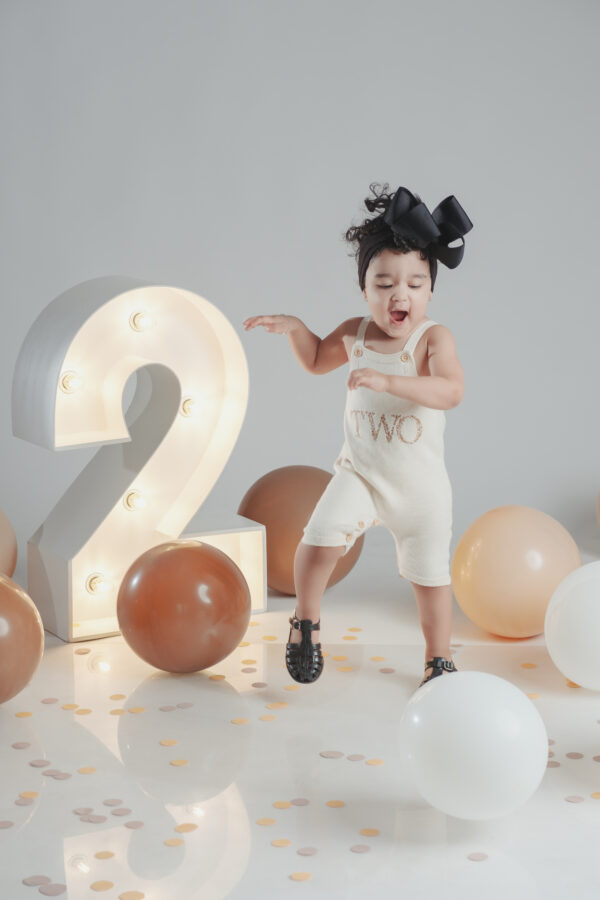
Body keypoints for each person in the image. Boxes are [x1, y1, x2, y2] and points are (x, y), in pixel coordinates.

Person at [243, 183, 473, 688]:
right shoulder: (356, 332)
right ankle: (305, 622)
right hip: (362, 475)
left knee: (431, 579)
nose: (400, 295)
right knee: (317, 542)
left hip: (420, 489)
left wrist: (391, 382)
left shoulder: (433, 338)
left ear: (430, 291)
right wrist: (296, 329)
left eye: (415, 283)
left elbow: (451, 390)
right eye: (384, 283)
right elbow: (314, 360)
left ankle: (438, 657)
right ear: (365, 290)